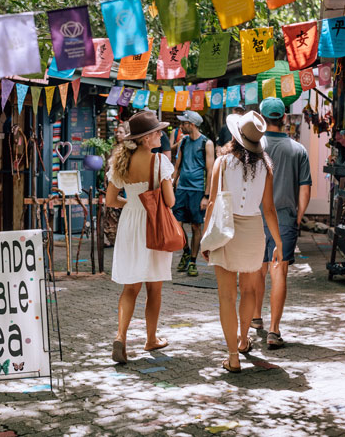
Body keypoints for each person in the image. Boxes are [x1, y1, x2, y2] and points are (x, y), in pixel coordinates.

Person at [202, 111, 283, 373]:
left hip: (226, 228)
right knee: (249, 291)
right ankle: (244, 339)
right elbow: (269, 209)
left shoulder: (222, 162)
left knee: (227, 295)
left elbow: (212, 202)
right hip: (253, 230)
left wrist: (205, 238)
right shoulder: (266, 166)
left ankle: (233, 356)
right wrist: (279, 243)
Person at [106, 111, 176, 364]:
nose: (161, 135)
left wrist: (133, 202)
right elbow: (169, 201)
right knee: (154, 287)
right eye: (157, 132)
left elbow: (111, 200)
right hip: (153, 225)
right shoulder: (160, 163)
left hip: (130, 223)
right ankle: (151, 338)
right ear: (146, 139)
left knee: (130, 286)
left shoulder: (121, 162)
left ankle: (121, 337)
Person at [252, 97, 312, 348]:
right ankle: (274, 331)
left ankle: (256, 318)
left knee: (258, 268)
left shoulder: (253, 146)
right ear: (284, 119)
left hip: (255, 215)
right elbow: (305, 190)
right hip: (285, 217)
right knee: (279, 271)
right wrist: (297, 218)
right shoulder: (298, 149)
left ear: (263, 120)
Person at [173, 110, 215, 277]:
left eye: (183, 123)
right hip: (182, 189)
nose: (181, 126)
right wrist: (171, 184)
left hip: (197, 190)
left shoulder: (207, 143)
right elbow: (177, 166)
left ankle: (192, 260)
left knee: (196, 226)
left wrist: (206, 196)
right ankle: (186, 250)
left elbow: (210, 170)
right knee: (176, 224)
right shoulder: (183, 142)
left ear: (191, 124)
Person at [103, 122, 130, 247]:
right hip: (111, 185)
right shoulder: (113, 149)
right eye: (117, 132)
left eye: (121, 132)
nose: (118, 134)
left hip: (122, 187)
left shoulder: (129, 151)